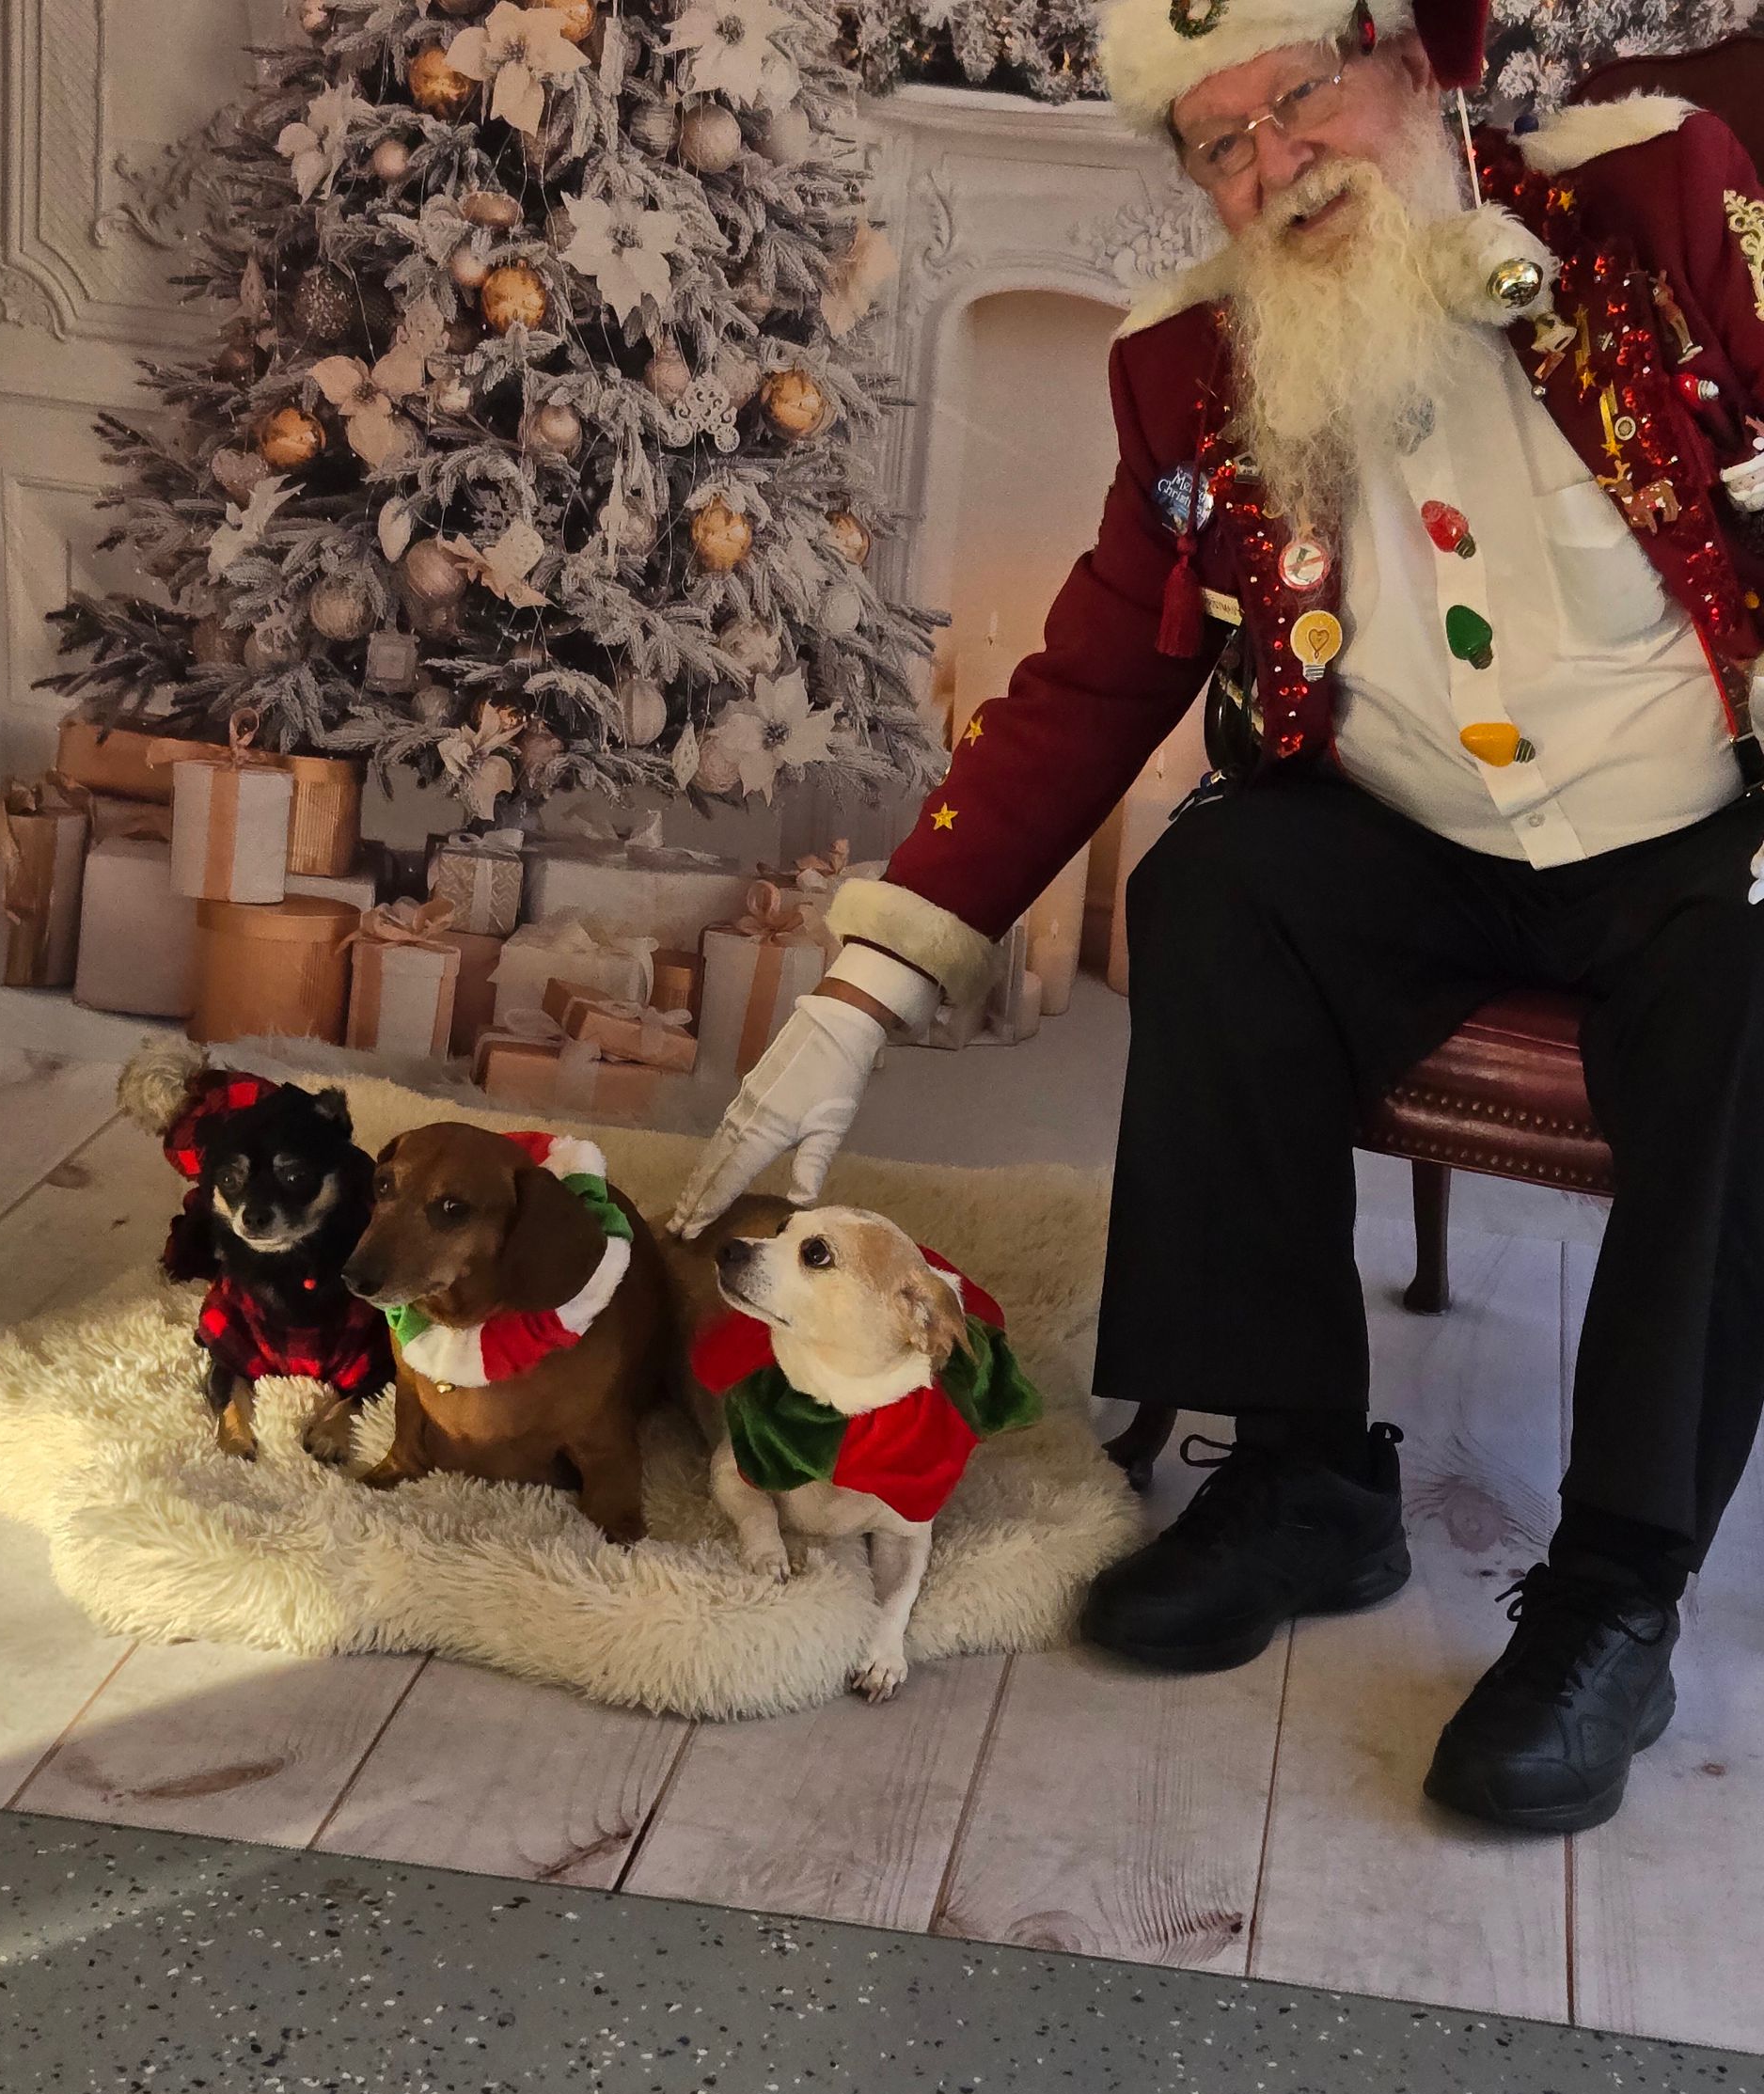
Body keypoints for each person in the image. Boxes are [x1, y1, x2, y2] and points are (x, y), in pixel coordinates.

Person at [669, 0, 1764, 1838]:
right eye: (1218, 139)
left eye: (1299, 96)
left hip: (1693, 835)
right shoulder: (1189, 359)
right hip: (1406, 837)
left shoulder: (1650, 196)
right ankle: (1304, 1473)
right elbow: (1092, 679)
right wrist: (859, 994)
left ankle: (1613, 1591)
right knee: (1221, 884)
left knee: (1752, 985)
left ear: (1413, 63)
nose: (1276, 165)